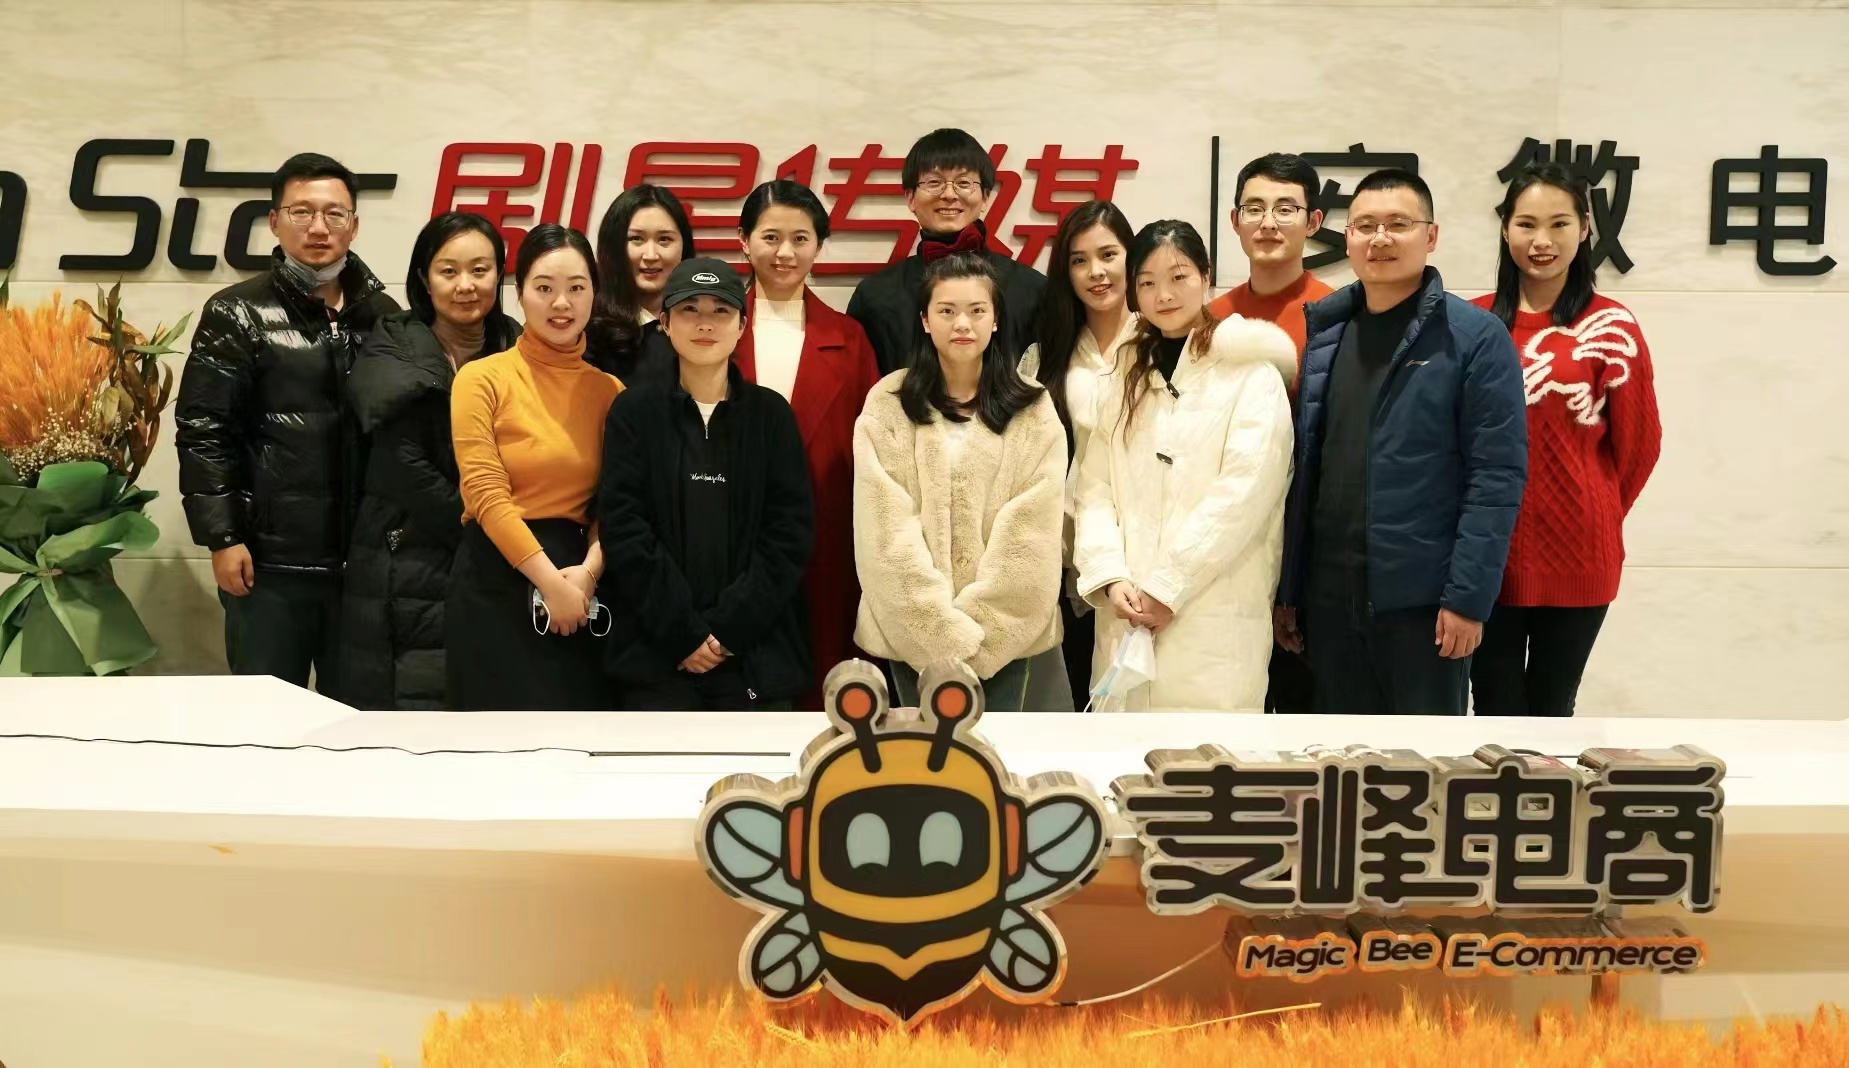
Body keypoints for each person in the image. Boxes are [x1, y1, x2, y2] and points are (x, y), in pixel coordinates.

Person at [1277, 169, 1527, 717]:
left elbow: (1497, 477)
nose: (1380, 238)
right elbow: (1308, 470)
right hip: (1329, 602)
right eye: (1365, 225)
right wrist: (1290, 591)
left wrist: (1467, 599)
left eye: (1398, 224)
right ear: (1347, 238)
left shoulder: (1475, 337)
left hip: (1424, 608)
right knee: (1336, 760)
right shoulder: (1328, 333)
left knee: (1424, 762)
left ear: (1430, 236)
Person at [175, 152, 398, 699]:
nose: (319, 227)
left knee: (359, 718)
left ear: (354, 225)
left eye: (334, 213)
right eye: (302, 212)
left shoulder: (385, 316)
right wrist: (223, 537)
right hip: (270, 562)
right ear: (275, 221)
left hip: (362, 566)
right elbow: (204, 428)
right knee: (265, 715)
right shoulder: (237, 312)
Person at [1072, 221, 1295, 712]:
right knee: (1121, 751)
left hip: (1212, 614)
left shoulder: (1251, 373)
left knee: (1208, 754)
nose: (1164, 295)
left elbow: (1244, 495)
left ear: (1206, 278)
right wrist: (1109, 575)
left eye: (1178, 277)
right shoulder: (1121, 377)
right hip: (1126, 611)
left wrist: (1167, 586)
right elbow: (1093, 489)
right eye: (1148, 282)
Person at [1470, 163, 1662, 717]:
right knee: (1494, 710)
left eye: (1559, 224)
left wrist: (1594, 510)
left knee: (1554, 711)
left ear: (1584, 229)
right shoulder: (1472, 322)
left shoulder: (1613, 326)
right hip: (1488, 553)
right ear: (1505, 228)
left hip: (1579, 550)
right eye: (1527, 224)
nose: (1542, 241)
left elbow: (1640, 446)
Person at [597, 258, 815, 710]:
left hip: (755, 655)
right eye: (689, 309)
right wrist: (683, 632)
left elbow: (788, 534)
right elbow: (624, 529)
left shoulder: (771, 416)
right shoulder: (633, 413)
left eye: (720, 310)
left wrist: (730, 629)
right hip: (656, 655)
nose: (705, 323)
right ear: (664, 323)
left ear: (742, 326)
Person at [853, 251, 1067, 712]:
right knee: (920, 754)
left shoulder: (1032, 408)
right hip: (910, 634)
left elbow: (1033, 531)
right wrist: (936, 635)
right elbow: (883, 529)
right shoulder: (888, 403)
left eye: (977, 310)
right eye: (947, 311)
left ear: (996, 320)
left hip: (1006, 640)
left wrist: (982, 636)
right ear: (925, 320)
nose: (962, 324)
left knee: (998, 754)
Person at [337, 213, 521, 711]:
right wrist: (486, 528)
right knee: (408, 710)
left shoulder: (520, 346)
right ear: (423, 277)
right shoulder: (394, 345)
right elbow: (401, 464)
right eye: (448, 271)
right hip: (407, 555)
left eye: (480, 270)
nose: (466, 285)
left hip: (498, 561)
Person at [447, 224, 622, 711]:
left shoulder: (610, 392)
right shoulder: (481, 378)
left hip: (581, 581)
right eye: (544, 288)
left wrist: (587, 576)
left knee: (576, 741)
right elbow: (484, 494)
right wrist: (550, 584)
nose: (561, 303)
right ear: (519, 292)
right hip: (496, 577)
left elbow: (617, 504)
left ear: (595, 294)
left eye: (576, 288)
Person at [732, 179, 881, 704]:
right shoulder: (714, 331)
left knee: (825, 681)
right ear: (744, 241)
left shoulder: (849, 337)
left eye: (801, 238)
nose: (785, 253)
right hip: (734, 534)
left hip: (828, 536)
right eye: (770, 237)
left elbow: (872, 449)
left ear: (819, 245)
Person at [1209, 153, 1335, 715]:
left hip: (1312, 539)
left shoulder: (1339, 313)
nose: (1268, 223)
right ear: (1235, 221)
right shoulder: (1211, 317)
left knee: (1308, 714)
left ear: (1313, 221)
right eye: (1255, 209)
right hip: (1234, 541)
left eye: (1286, 209)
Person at [1019, 199, 1139, 714]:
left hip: (1141, 552)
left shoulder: (1160, 342)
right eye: (1079, 260)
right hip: (1061, 554)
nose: (1096, 272)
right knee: (1069, 707)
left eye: (1108, 255)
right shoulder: (1046, 355)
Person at [846, 128, 1046, 375]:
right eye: (934, 182)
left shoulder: (1032, 291)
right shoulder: (874, 297)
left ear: (985, 197)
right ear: (910, 198)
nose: (949, 194)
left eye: (964, 183)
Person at [588, 184, 694, 391]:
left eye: (664, 239)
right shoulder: (589, 329)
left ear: (684, 245)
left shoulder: (704, 322)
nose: (651, 255)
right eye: (636, 239)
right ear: (614, 246)